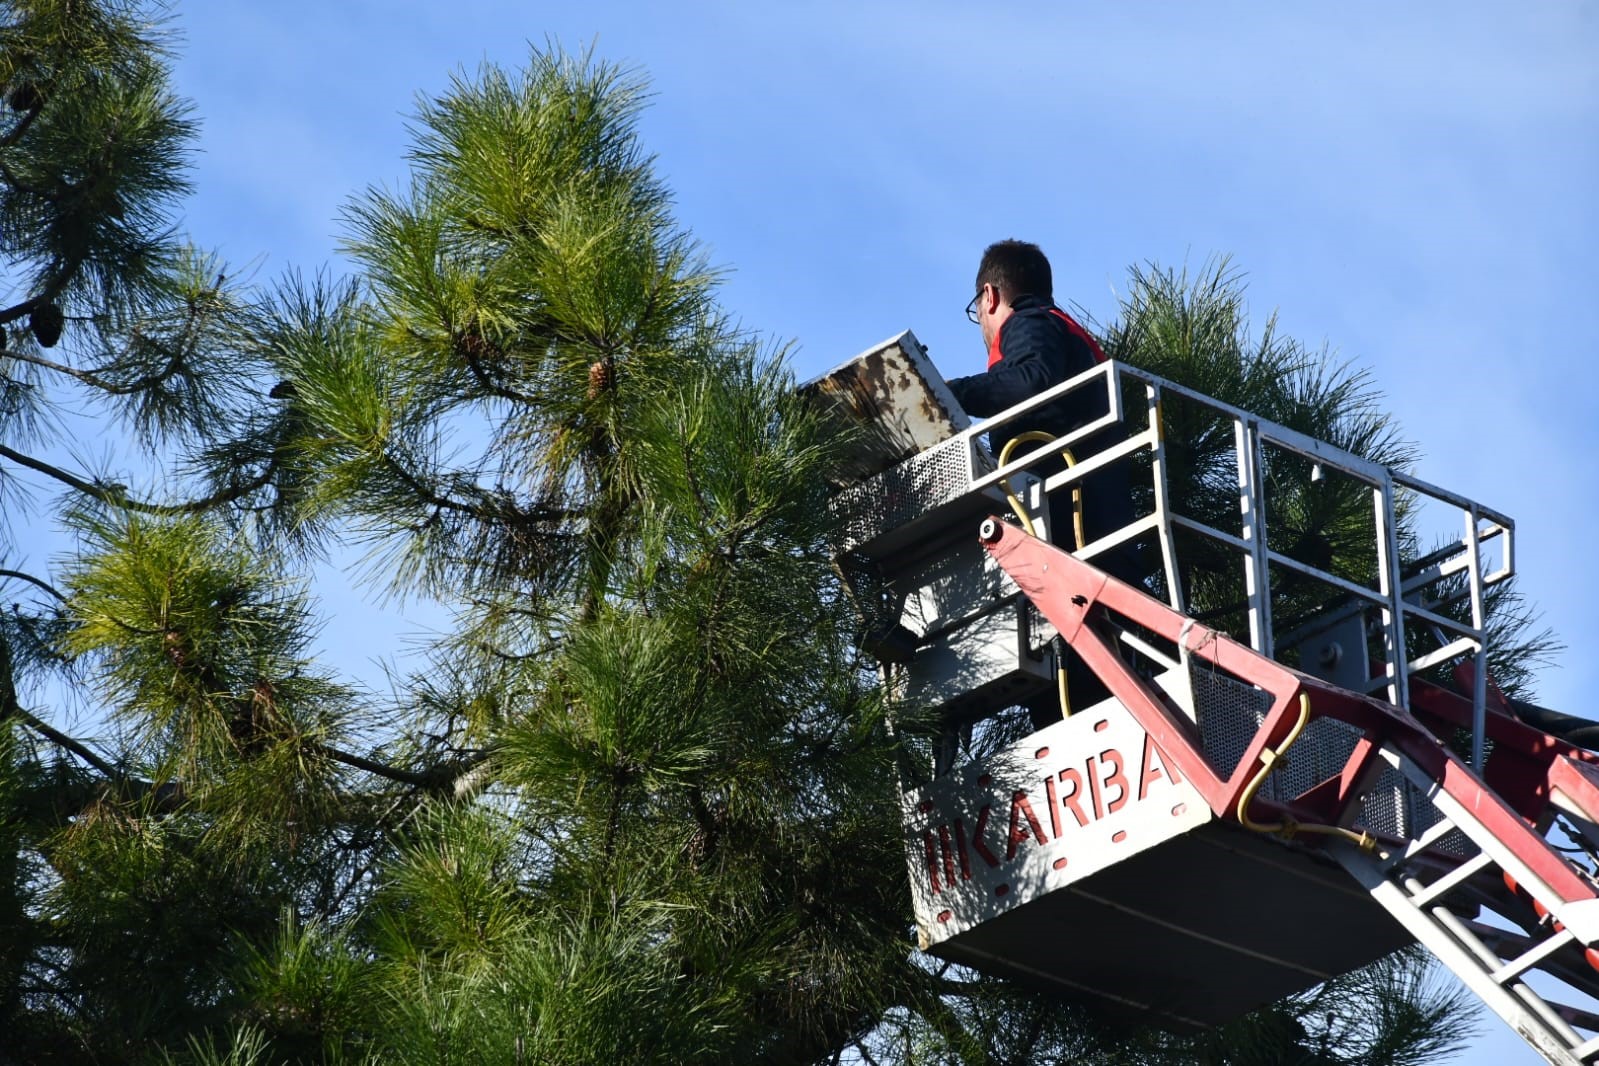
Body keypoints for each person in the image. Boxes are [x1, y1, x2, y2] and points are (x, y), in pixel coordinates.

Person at [945, 239, 1137, 579]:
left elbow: (1032, 379)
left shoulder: (1027, 322)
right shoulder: (1070, 333)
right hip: (1103, 517)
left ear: (988, 296)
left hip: (1067, 516)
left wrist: (951, 393)